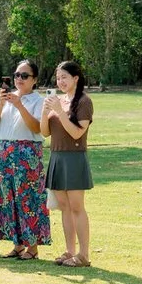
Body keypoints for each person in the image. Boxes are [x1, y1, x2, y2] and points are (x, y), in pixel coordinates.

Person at [0, 59, 51, 259]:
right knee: (8, 199)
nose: (19, 79)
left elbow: (36, 128)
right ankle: (17, 244)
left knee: (28, 199)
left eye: (25, 76)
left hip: (26, 153)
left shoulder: (38, 100)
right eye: (17, 75)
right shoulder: (6, 98)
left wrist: (19, 106)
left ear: (34, 80)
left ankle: (32, 247)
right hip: (4, 151)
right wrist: (1, 102)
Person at [44, 60, 95, 267]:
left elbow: (76, 132)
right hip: (56, 156)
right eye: (58, 77)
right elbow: (45, 132)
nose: (60, 81)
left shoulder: (83, 101)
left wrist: (60, 111)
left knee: (76, 206)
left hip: (74, 157)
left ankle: (83, 255)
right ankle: (69, 251)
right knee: (64, 207)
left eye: (64, 77)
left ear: (76, 78)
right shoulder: (59, 101)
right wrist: (45, 111)